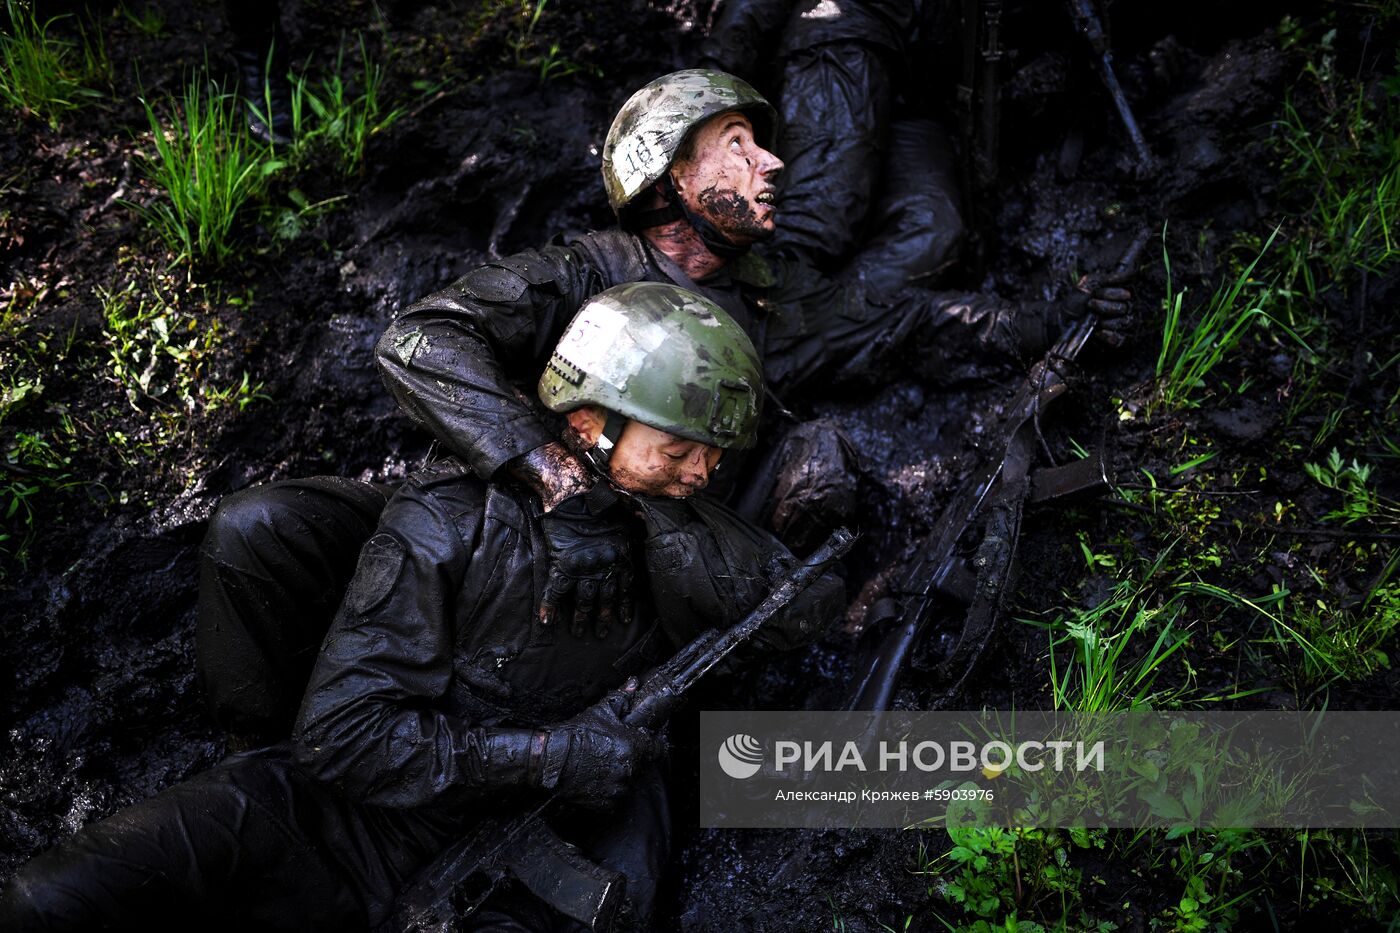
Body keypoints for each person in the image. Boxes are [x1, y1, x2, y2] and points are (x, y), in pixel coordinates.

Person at [198, 65, 1131, 743]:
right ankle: (277, 750)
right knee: (258, 530)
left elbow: (909, 327)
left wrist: (1054, 315)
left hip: (632, 576)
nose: (769, 164)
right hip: (478, 534)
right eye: (736, 146)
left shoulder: (773, 306)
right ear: (671, 178)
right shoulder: (579, 271)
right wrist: (555, 476)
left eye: (761, 145)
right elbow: (418, 341)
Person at [0, 283, 844, 932]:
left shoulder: (678, 525)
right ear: (589, 424)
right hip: (344, 825)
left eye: (714, 456)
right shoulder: (448, 520)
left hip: (545, 844)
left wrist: (649, 518)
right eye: (678, 450)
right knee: (50, 897)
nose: (700, 473)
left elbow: (797, 605)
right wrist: (547, 753)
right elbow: (341, 736)